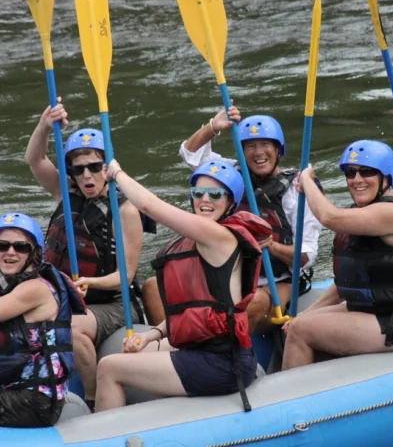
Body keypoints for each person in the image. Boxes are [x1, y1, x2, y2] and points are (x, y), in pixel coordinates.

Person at [95, 159, 272, 412]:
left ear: (230, 202)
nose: (205, 200)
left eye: (215, 194)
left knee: (108, 368)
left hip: (222, 363)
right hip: (208, 352)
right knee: (131, 356)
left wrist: (117, 174)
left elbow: (148, 205)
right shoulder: (202, 241)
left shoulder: (219, 236)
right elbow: (198, 309)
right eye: (198, 193)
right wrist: (150, 335)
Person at [143, 106, 322, 331]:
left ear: (278, 149)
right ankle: (173, 347)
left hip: (273, 284)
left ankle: (215, 352)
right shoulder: (230, 173)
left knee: (251, 301)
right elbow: (190, 154)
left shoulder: (298, 188)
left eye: (265, 144)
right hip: (222, 274)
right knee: (152, 287)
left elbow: (306, 256)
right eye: (250, 146)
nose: (258, 153)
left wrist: (271, 246)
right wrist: (213, 127)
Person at [25, 100, 153, 411]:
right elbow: (35, 158)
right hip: (64, 297)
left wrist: (89, 281)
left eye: (95, 166)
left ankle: (95, 400)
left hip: (112, 305)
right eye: (79, 169)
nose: (87, 175)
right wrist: (44, 124)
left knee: (70, 328)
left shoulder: (124, 209)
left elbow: (128, 275)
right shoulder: (65, 193)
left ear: (107, 167)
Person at [282, 140, 393, 370]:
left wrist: (306, 180)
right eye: (350, 173)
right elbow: (346, 284)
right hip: (377, 310)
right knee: (300, 322)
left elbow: (329, 217)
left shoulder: (392, 213)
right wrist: (307, 313)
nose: (357, 179)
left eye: (367, 172)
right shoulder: (361, 214)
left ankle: (287, 403)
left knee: (300, 331)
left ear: (386, 178)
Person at [0, 212, 86, 427]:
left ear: (35, 254)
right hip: (16, 391)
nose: (9, 252)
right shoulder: (15, 288)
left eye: (20, 247)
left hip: (33, 402)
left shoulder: (34, 289)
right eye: (2, 246)